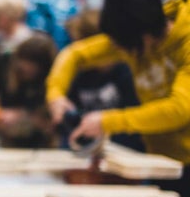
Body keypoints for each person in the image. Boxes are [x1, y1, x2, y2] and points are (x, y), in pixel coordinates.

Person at [47, 0, 190, 197]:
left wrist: (108, 121)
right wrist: (56, 95)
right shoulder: (137, 34)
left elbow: (180, 109)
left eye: (122, 46)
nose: (119, 51)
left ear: (144, 36)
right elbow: (75, 54)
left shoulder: (185, 44)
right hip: (164, 163)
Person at [61, 9, 145, 152]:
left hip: (125, 154)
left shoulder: (128, 71)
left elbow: (137, 123)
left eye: (79, 46)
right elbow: (69, 123)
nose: (76, 55)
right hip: (87, 152)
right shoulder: (80, 75)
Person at [0, 34, 58, 148]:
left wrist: (24, 116)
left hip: (43, 145)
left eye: (30, 69)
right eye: (21, 69)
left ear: (43, 67)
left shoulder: (53, 82)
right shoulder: (10, 72)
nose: (26, 72)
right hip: (9, 140)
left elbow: (50, 124)